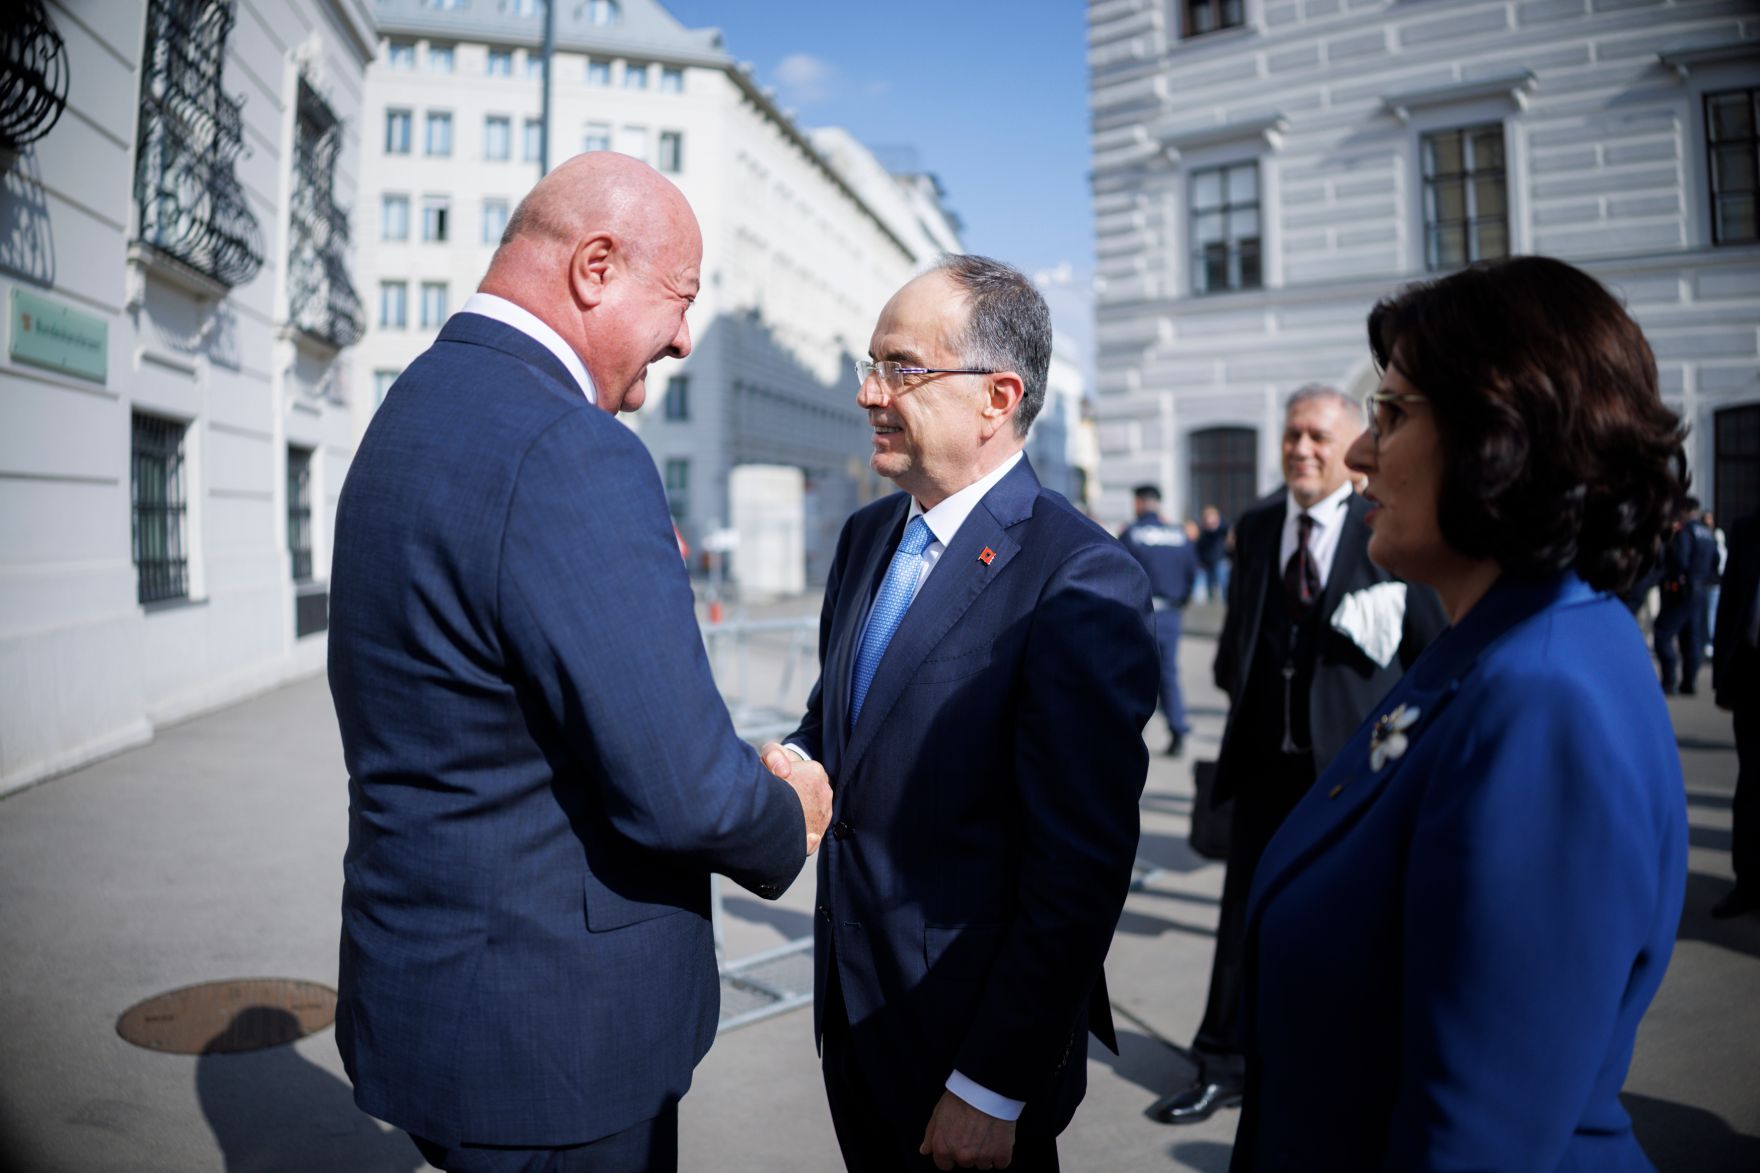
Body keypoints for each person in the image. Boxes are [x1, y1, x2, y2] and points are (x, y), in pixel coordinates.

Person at [328, 153, 832, 1172]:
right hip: (553, 1045)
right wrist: (790, 813)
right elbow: (683, 786)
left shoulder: (413, 408)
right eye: (680, 299)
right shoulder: (568, 449)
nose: (686, 337)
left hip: (437, 1001)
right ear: (595, 266)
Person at [1234, 256, 1689, 1171]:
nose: (1360, 451)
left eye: (1394, 413)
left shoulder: (1540, 693)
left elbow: (1476, 1136)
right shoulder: (1501, 642)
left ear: (1502, 433)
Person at [770, 255, 1159, 1172]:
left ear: (998, 396)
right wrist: (777, 768)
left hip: (969, 1051)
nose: (868, 392)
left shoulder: (1080, 577)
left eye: (900, 367)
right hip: (857, 1019)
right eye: (870, 363)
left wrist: (992, 1083)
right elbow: (839, 725)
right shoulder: (869, 534)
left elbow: (1080, 870)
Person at [1147, 386, 1444, 1126]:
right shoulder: (1254, 525)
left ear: (1353, 448)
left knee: (1357, 925)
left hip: (1352, 775)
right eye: (1291, 436)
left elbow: (1435, 652)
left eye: (1318, 436)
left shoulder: (1389, 528)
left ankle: (1345, 1070)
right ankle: (1223, 1061)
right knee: (1242, 919)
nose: (1301, 449)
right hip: (1262, 767)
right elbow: (1237, 644)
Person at [1120, 485, 1200, 755]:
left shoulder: (1132, 534)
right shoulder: (1179, 534)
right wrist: (1181, 601)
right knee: (1168, 674)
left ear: (1140, 503)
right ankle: (1177, 728)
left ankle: (1130, 733)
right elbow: (1191, 572)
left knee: (1133, 673)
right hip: (1170, 614)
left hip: (1139, 613)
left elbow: (1118, 572)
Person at [1713, 511, 1760, 919]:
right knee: (1751, 786)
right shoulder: (1748, 529)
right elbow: (1730, 608)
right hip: (1753, 682)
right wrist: (1722, 684)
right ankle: (1747, 883)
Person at [1654, 496, 1719, 694]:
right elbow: (1716, 561)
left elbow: (1680, 559)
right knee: (1692, 637)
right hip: (1701, 589)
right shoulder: (1708, 534)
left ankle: (1669, 680)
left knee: (1663, 633)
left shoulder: (1686, 531)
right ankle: (1689, 682)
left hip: (1681, 589)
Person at [1196, 504, 1230, 602]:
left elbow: (1224, 529)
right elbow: (1200, 547)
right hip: (1207, 563)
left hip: (1220, 561)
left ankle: (1225, 601)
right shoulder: (1203, 533)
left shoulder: (1221, 530)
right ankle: (1211, 602)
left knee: (1223, 583)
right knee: (1209, 586)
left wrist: (1216, 524)